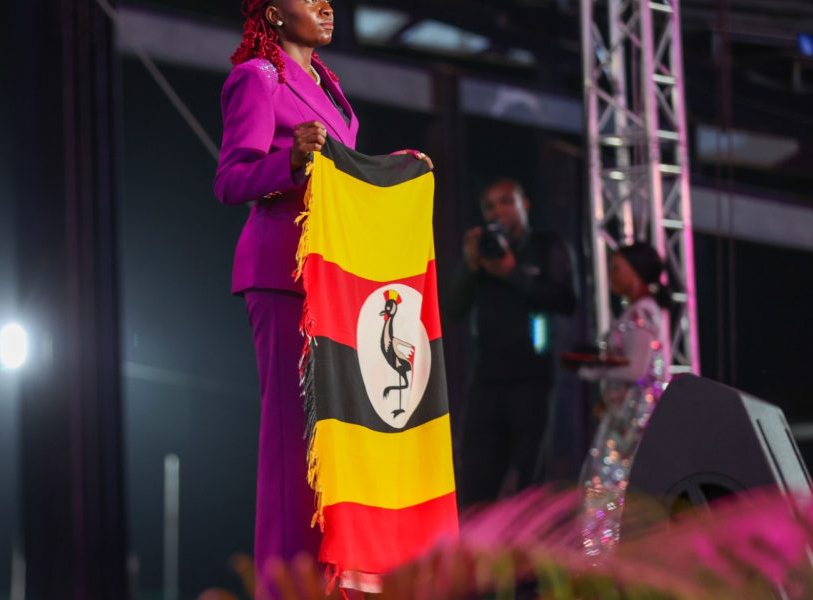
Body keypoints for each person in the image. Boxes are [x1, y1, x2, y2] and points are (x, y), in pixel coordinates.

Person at [213, 0, 431, 594]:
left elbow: (339, 172)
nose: (326, 5)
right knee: (293, 438)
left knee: (334, 435)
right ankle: (285, 584)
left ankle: (334, 576)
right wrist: (288, 159)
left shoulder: (329, 87)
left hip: (332, 276)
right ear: (273, 14)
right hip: (282, 271)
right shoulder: (258, 78)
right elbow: (230, 180)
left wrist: (396, 169)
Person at [445, 179, 576, 509]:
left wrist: (511, 272)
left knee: (528, 478)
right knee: (476, 476)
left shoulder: (546, 245)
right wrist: (469, 266)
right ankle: (477, 538)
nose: (497, 211)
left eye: (505, 201)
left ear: (524, 204)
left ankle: (528, 542)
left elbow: (565, 300)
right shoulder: (482, 252)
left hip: (532, 379)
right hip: (487, 379)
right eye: (489, 206)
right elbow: (452, 309)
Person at [578, 242, 672, 558]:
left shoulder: (641, 313)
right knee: (606, 488)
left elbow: (635, 369)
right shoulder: (640, 311)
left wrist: (591, 370)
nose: (611, 276)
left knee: (604, 486)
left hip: (630, 425)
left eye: (617, 268)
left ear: (636, 272)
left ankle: (602, 559)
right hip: (625, 418)